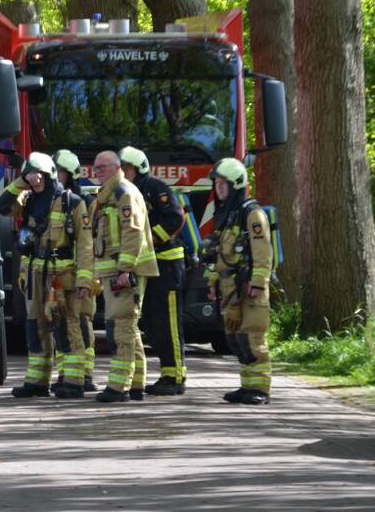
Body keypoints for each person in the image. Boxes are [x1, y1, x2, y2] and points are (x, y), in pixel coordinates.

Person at [0, 152, 93, 399]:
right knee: (34, 327)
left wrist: (84, 280)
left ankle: (73, 381)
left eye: (39, 175)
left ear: (49, 175)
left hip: (62, 276)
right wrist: (21, 182)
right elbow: (1, 206)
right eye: (30, 175)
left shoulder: (72, 202)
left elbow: (85, 244)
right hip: (35, 275)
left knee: (66, 327)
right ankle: (38, 381)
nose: (35, 180)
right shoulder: (26, 200)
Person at [88, 151, 158, 403]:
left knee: (121, 328)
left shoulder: (123, 192)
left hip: (125, 273)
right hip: (114, 272)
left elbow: (133, 231)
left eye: (102, 167)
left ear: (117, 167)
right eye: (95, 168)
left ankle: (119, 387)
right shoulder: (108, 195)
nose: (97, 172)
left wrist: (125, 270)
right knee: (128, 327)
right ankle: (137, 384)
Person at [119, 146, 188, 396]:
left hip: (168, 266)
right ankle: (167, 373)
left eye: (126, 169)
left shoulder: (155, 188)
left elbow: (175, 219)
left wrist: (148, 240)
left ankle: (176, 376)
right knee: (153, 324)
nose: (123, 174)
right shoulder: (128, 192)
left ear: (139, 169)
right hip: (148, 268)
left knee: (168, 324)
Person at [204, 157, 273, 405]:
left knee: (252, 338)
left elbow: (263, 253)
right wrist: (212, 279)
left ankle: (260, 389)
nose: (219, 187)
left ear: (236, 184)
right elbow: (219, 255)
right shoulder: (227, 215)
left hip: (248, 288)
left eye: (224, 183)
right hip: (230, 288)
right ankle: (246, 386)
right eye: (217, 183)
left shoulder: (251, 214)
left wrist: (258, 282)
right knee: (236, 339)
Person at [51, 149, 99, 392]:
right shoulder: (55, 201)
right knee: (62, 324)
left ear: (71, 175)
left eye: (58, 172)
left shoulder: (85, 203)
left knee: (82, 322)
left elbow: (87, 242)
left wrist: (86, 277)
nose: (55, 176)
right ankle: (66, 373)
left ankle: (85, 373)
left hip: (83, 272)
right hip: (61, 276)